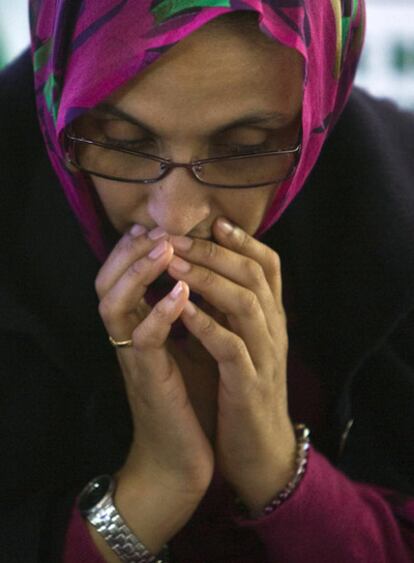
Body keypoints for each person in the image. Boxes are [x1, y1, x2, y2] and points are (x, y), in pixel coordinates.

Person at [1, 1, 413, 562]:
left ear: (318, 109)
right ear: (60, 108)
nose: (175, 218)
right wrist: (150, 492)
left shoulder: (396, 219)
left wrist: (279, 471)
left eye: (244, 149)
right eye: (121, 139)